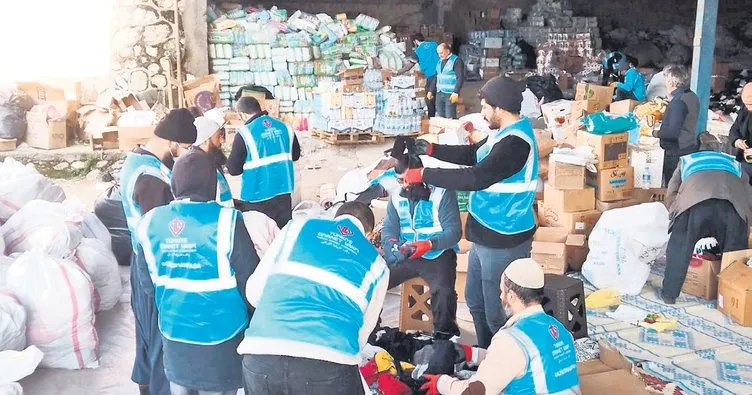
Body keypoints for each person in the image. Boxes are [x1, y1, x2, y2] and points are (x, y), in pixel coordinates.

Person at [402, 76, 538, 348]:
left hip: (504, 236)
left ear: (499, 107)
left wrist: (424, 173)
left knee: (496, 311)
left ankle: (501, 361)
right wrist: (432, 149)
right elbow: (473, 154)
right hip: (485, 232)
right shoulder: (503, 134)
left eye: (486, 106)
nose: (483, 112)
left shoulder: (516, 144)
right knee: (475, 300)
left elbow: (476, 177)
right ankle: (484, 354)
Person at [136, 149, 259, 395]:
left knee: (180, 389)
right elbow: (252, 285)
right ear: (212, 185)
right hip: (222, 338)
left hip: (175, 334)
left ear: (174, 184)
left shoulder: (149, 223)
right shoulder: (228, 222)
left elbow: (147, 286)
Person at [238, 202, 389, 395]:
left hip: (261, 354)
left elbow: (254, 293)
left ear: (334, 216)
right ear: (368, 235)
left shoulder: (296, 228)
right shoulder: (378, 266)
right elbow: (359, 339)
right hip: (328, 365)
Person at [120, 108, 197, 395]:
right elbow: (162, 230)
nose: (183, 154)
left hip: (140, 259)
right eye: (184, 148)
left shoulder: (140, 160)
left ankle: (145, 385)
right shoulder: (150, 176)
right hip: (152, 268)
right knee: (160, 338)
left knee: (146, 336)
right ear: (172, 143)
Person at [420, 258, 580, 395]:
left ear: (511, 295)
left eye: (502, 291)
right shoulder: (559, 329)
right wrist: (473, 353)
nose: (500, 296)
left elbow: (476, 392)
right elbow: (516, 362)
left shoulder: (511, 339)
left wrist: (442, 383)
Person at [661, 133, 752, 304]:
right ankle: (728, 298)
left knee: (680, 247)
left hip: (695, 204)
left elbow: (672, 190)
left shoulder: (687, 160)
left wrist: (675, 215)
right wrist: (746, 223)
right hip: (732, 207)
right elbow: (748, 195)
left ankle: (669, 294)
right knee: (734, 254)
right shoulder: (735, 163)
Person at [382, 157, 462, 339]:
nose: (404, 186)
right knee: (376, 281)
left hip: (437, 253)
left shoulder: (442, 193)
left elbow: (454, 232)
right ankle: (372, 331)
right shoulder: (396, 196)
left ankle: (445, 337)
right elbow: (389, 228)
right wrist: (392, 245)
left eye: (406, 180)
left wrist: (429, 244)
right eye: (399, 181)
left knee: (443, 292)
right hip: (407, 252)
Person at [226, 96, 301, 228]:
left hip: (256, 197)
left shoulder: (244, 133)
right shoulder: (285, 128)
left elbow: (233, 170)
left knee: (260, 239)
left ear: (242, 114)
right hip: (283, 193)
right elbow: (295, 156)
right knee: (281, 235)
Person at [652, 64, 700, 186]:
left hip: (676, 151)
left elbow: (672, 133)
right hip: (688, 146)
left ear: (671, 81)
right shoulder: (692, 95)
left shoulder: (678, 101)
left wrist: (653, 132)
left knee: (673, 187)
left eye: (666, 79)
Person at [192, 114, 232, 207]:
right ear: (205, 141)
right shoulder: (199, 167)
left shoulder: (211, 161)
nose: (222, 141)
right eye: (218, 137)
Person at [398, 33, 441, 117]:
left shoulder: (417, 51)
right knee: (439, 94)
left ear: (415, 41)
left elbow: (408, 66)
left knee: (429, 96)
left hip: (431, 75)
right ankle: (440, 114)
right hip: (441, 73)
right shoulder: (434, 44)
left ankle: (431, 117)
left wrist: (398, 72)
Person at [427, 43, 464, 119]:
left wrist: (456, 92)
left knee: (449, 116)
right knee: (440, 116)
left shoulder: (456, 61)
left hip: (450, 94)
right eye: (438, 53)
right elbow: (436, 77)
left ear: (447, 51)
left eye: (441, 53)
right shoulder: (439, 62)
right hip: (439, 92)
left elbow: (460, 77)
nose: (439, 55)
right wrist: (431, 90)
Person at [729, 83, 752, 182]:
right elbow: (735, 128)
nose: (749, 108)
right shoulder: (744, 110)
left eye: (751, 104)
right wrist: (736, 140)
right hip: (743, 158)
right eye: (746, 104)